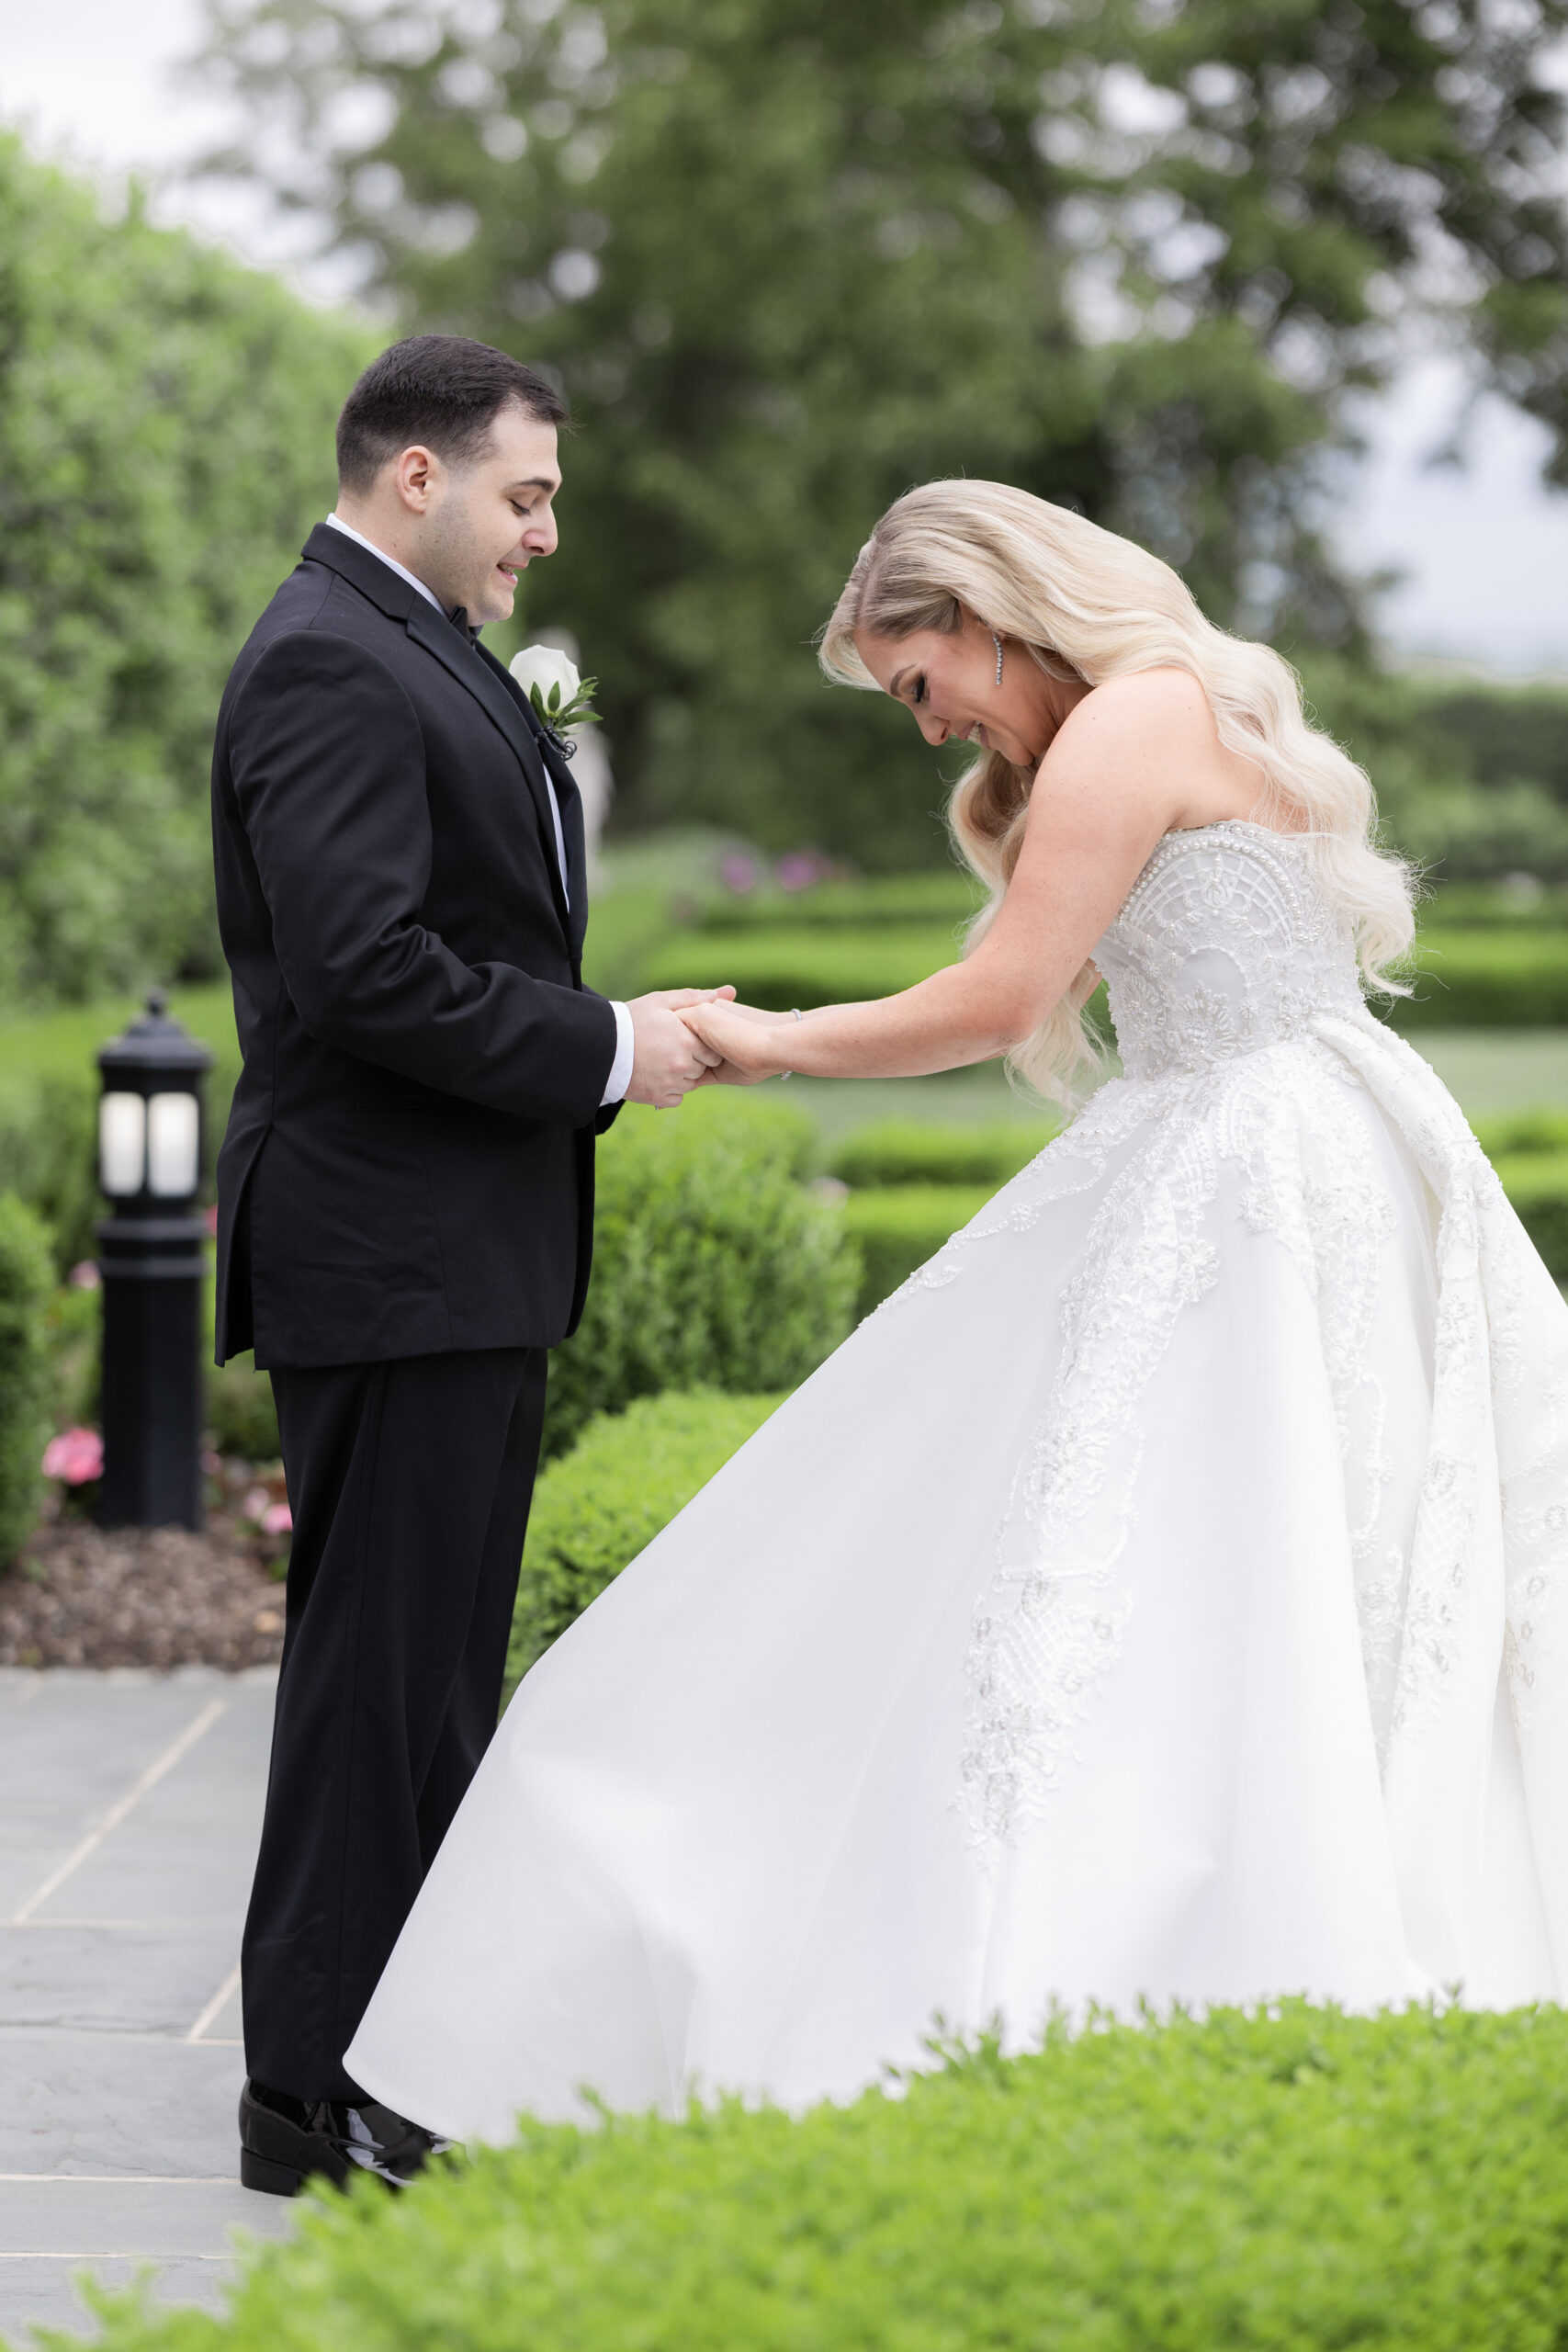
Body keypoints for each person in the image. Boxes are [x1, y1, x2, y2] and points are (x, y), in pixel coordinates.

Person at [344, 480, 1568, 2145]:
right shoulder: (1167, 709)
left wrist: (755, 1037)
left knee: (1220, 1550)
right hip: (1289, 1137)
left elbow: (1000, 1000)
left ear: (989, 609)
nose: (930, 733)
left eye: (924, 686)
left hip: (1261, 1170)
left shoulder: (1135, 717)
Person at [211, 334, 731, 2195]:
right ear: (413, 476)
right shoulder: (331, 659)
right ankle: (327, 2097)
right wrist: (602, 1046)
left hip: (451, 1251)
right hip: (394, 1248)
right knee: (380, 1680)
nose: (545, 535)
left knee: (422, 1678)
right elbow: (361, 971)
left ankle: (381, 2065)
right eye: (527, 494)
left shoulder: (405, 642)